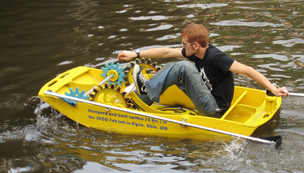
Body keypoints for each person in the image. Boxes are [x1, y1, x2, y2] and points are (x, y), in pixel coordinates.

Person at [117, 22, 289, 117]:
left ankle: (147, 88)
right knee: (172, 66)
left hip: (215, 109)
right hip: (206, 95)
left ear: (195, 45)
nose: (182, 47)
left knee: (183, 67)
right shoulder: (195, 52)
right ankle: (140, 103)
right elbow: (167, 51)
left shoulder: (215, 57)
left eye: (184, 44)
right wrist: (135, 53)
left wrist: (272, 88)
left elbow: (247, 70)